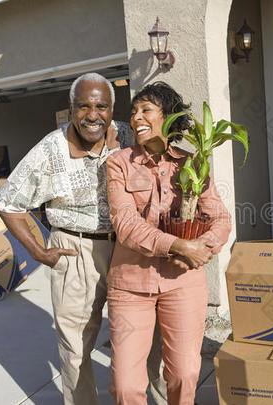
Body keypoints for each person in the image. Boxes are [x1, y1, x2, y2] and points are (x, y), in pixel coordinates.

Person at [0, 73, 167, 405]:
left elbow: (166, 162)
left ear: (112, 108)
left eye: (101, 106)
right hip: (75, 252)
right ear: (71, 108)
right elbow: (8, 203)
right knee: (76, 349)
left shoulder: (130, 134)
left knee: (150, 339)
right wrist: (38, 251)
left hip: (128, 248)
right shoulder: (49, 149)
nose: (93, 115)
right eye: (83, 106)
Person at [106, 81, 232, 404]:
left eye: (146, 109)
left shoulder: (192, 163)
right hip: (131, 284)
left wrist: (204, 247)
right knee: (126, 384)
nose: (136, 118)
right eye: (133, 112)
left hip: (183, 280)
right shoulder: (118, 163)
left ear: (168, 116)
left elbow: (220, 218)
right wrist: (179, 246)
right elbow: (126, 225)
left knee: (185, 374)